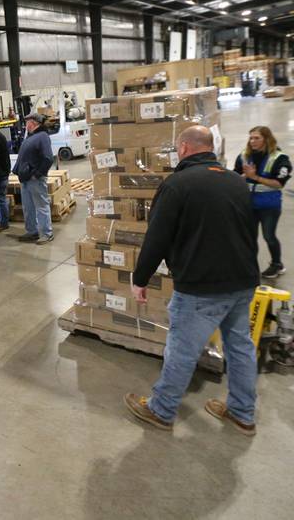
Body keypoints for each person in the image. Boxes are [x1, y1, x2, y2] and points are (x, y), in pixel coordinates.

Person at [125, 126, 260, 436]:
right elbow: (247, 232)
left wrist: (140, 278)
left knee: (182, 349)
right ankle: (242, 413)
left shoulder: (177, 185)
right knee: (239, 347)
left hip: (202, 286)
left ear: (184, 148)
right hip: (243, 281)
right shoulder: (236, 182)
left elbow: (157, 237)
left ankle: (160, 410)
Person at [233, 126, 292, 279]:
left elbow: (279, 184)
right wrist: (244, 176)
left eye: (256, 138)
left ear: (266, 139)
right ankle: (250, 266)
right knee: (249, 237)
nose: (252, 141)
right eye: (251, 138)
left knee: (269, 236)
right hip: (248, 205)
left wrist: (255, 177)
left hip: (269, 206)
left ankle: (277, 264)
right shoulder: (244, 156)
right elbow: (234, 178)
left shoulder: (280, 158)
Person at [12, 113, 53, 244]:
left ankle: (46, 233)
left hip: (35, 179)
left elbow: (48, 158)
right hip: (25, 179)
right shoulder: (31, 137)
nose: (26, 125)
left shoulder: (42, 136)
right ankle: (32, 231)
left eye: (28, 122)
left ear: (34, 123)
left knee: (41, 206)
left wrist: (37, 174)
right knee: (28, 207)